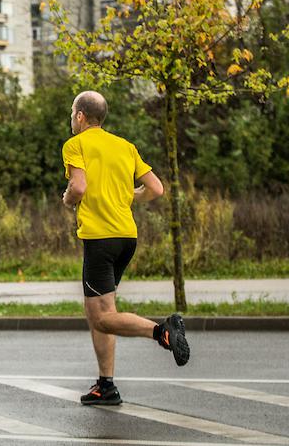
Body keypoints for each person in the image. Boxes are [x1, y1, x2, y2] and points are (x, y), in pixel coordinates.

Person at [62, 90, 190, 406]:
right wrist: (126, 197)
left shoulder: (75, 144)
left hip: (100, 238)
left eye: (72, 114)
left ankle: (162, 331)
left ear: (80, 116)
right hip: (126, 238)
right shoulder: (124, 146)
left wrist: (68, 199)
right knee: (103, 312)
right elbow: (156, 188)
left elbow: (78, 187)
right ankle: (106, 385)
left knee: (102, 318)